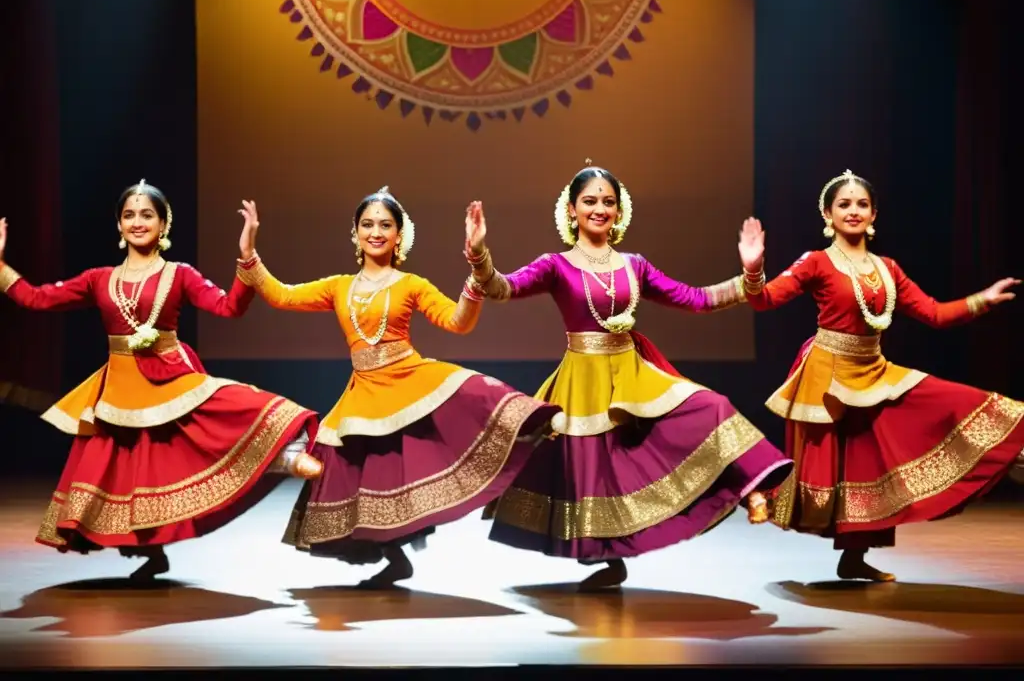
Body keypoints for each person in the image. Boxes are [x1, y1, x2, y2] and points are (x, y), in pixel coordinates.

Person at [464, 161, 793, 591]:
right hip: (583, 381)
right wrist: (478, 255)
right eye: (590, 201)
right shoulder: (556, 265)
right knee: (594, 474)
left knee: (711, 407)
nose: (599, 208)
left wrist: (750, 274)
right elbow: (502, 288)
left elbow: (694, 299)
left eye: (608, 202)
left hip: (632, 373)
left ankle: (749, 485)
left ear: (620, 212)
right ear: (572, 210)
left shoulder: (634, 265)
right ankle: (609, 560)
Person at [235, 187, 563, 588]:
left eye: (385, 225)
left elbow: (458, 322)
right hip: (363, 396)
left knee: (397, 471)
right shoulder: (339, 287)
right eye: (367, 224)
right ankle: (392, 556)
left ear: (399, 235)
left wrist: (477, 264)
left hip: (407, 385)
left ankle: (400, 549)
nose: (376, 231)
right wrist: (249, 251)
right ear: (354, 235)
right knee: (358, 477)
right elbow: (282, 295)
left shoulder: (410, 285)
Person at [0, 180, 322, 582]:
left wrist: (247, 255)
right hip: (119, 389)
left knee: (225, 409)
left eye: (147, 214)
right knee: (128, 467)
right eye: (129, 215)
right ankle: (151, 551)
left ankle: (284, 451)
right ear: (118, 226)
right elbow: (37, 297)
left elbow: (229, 307)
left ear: (164, 224)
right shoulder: (99, 278)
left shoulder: (179, 274)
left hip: (169, 377)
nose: (138, 222)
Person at [737, 169, 1024, 582]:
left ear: (874, 214)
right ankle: (759, 492)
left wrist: (983, 299)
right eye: (844, 204)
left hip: (874, 371)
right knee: (832, 474)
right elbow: (764, 301)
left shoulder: (887, 268)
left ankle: (854, 558)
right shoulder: (816, 262)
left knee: (877, 459)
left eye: (862, 204)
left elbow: (934, 313)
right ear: (827, 213)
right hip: (829, 379)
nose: (853, 211)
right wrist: (753, 268)